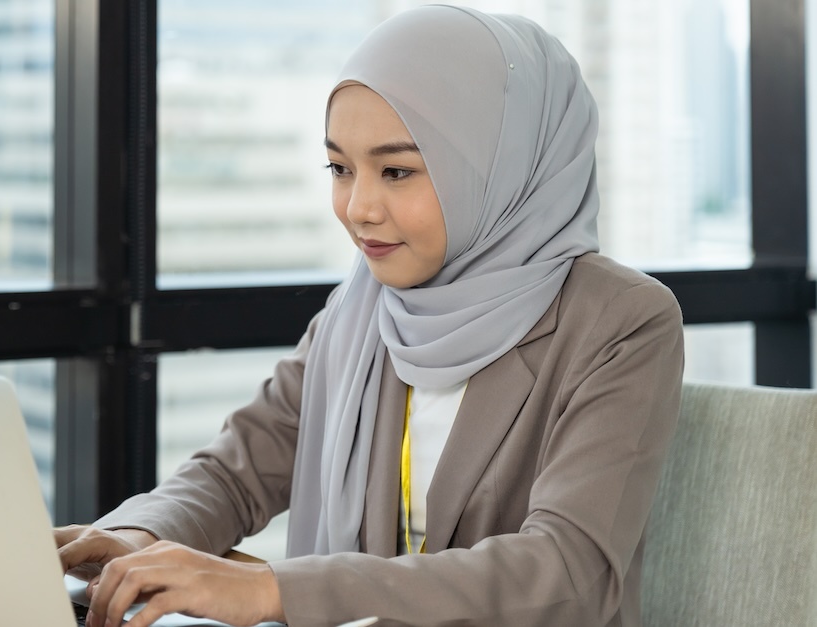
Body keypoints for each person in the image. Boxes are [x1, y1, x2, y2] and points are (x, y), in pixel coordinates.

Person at [57, 5, 684, 627]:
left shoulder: (621, 322)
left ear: (500, 171)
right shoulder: (360, 312)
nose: (358, 207)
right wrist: (138, 536)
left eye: (396, 171)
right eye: (340, 168)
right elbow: (236, 468)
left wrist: (274, 590)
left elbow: (568, 571)